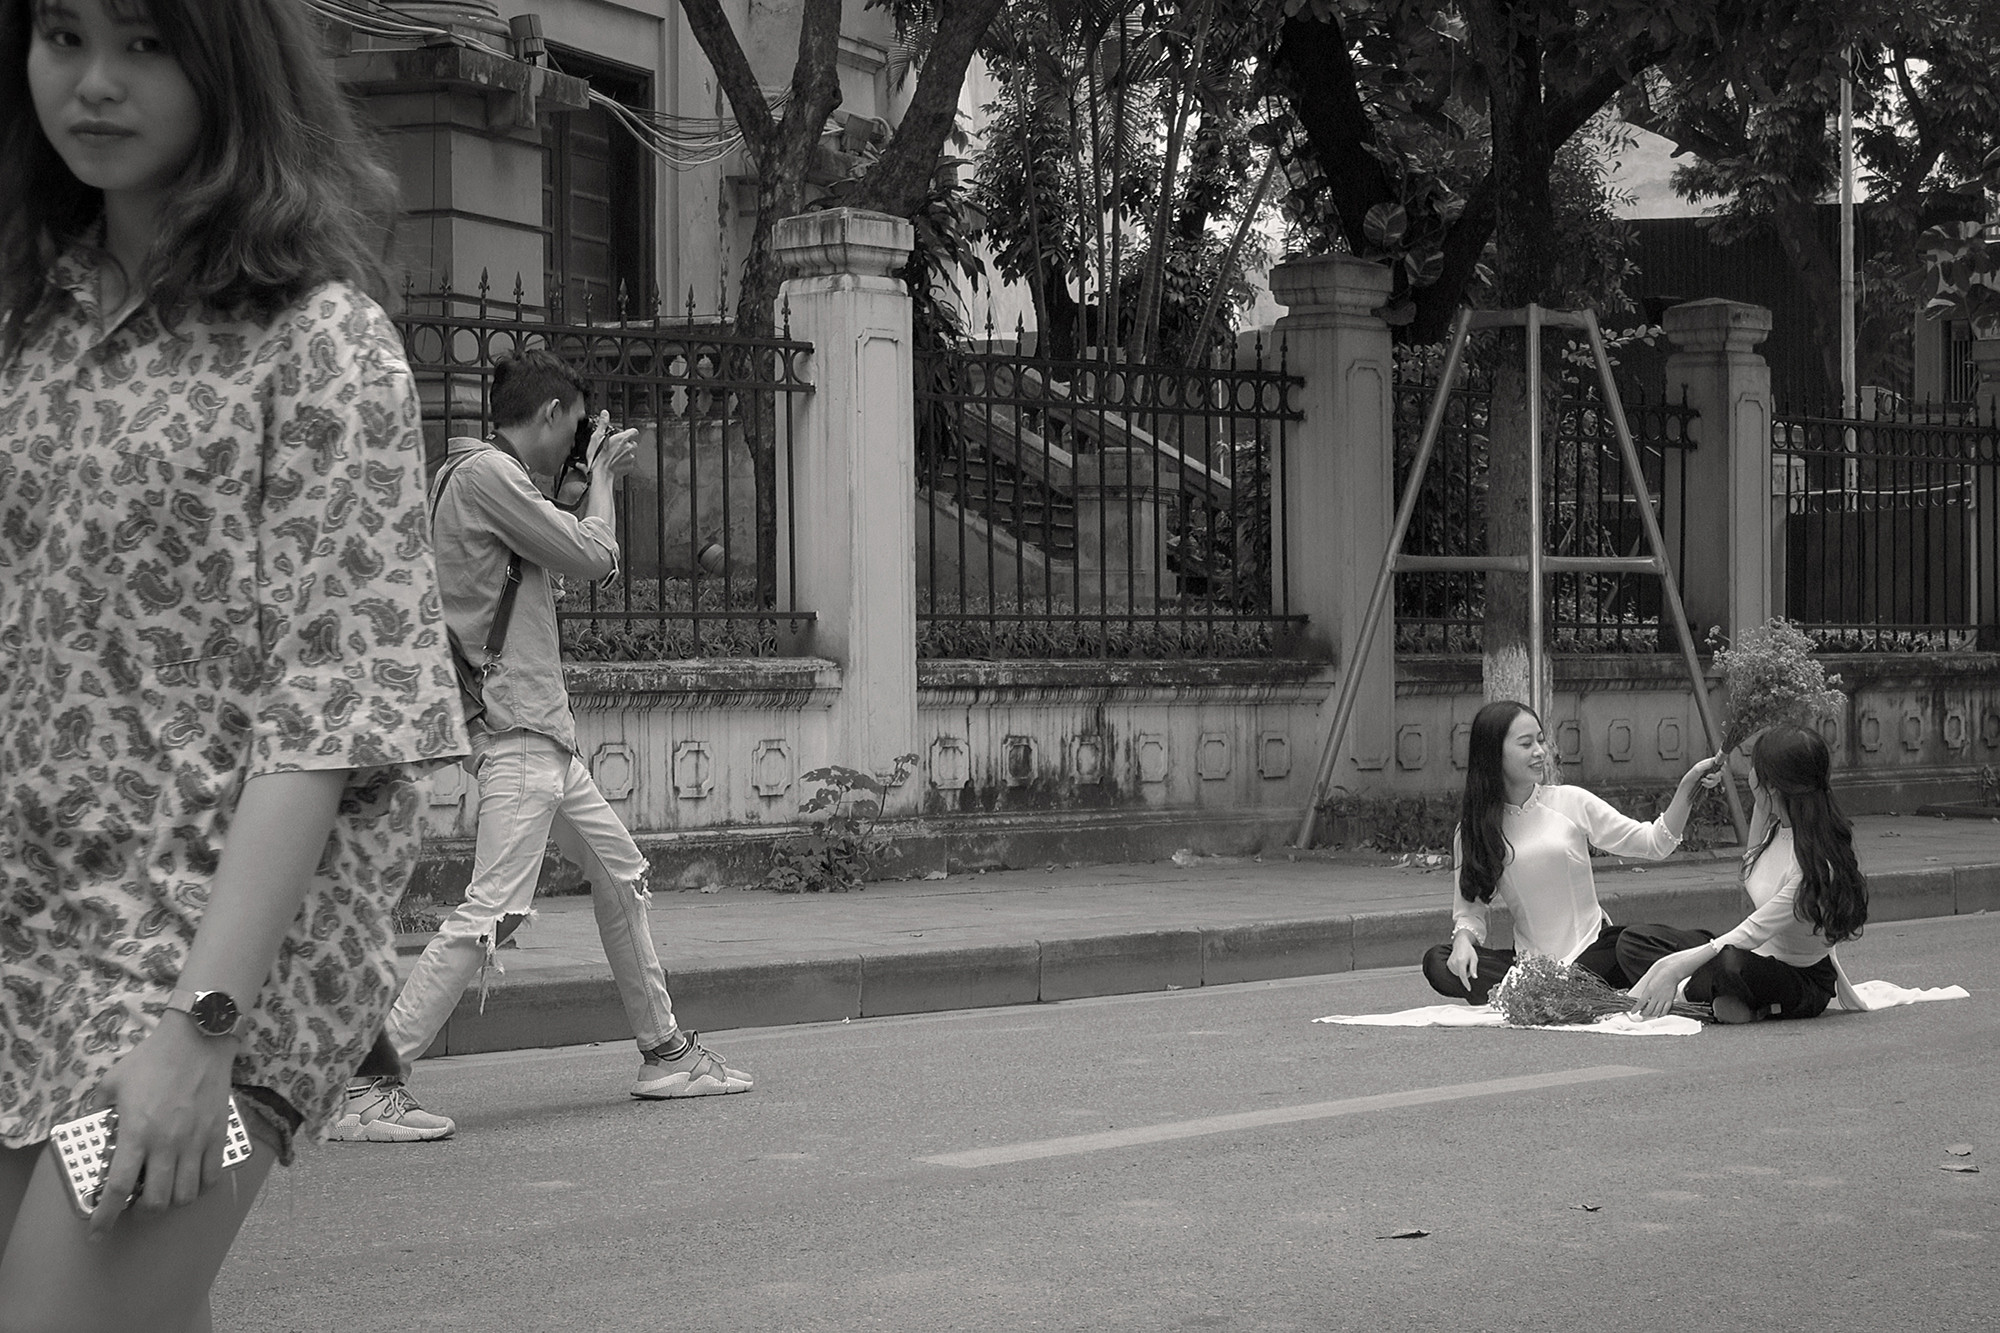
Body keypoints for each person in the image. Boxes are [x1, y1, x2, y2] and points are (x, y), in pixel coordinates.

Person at [0, 1, 467, 1327]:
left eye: (146, 43)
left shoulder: (321, 346)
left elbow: (330, 714)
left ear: (228, 66)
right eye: (61, 32)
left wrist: (203, 1028)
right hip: (28, 932)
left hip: (206, 950)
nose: (93, 82)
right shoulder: (32, 321)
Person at [332, 349, 752, 1143]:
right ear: (555, 414)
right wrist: (601, 483)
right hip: (518, 732)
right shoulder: (487, 474)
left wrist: (574, 489)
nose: (576, 446)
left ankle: (665, 1051)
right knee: (493, 909)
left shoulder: (493, 484)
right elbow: (596, 556)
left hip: (543, 736)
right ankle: (369, 1080)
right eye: (575, 429)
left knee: (621, 873)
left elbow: (548, 562)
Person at [1421, 700, 1724, 1004]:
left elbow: (1655, 842)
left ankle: (1700, 956)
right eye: (1526, 744)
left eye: (1541, 740)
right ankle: (1549, 992)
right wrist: (1463, 941)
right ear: (1493, 755)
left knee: (1631, 944)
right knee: (1438, 960)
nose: (1540, 751)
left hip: (1595, 955)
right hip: (1531, 968)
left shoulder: (1570, 802)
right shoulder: (1474, 830)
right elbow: (1470, 912)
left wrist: (1687, 788)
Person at [1622, 726, 1869, 1024]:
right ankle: (1718, 998)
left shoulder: (1812, 865)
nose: (1748, 774)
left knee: (1727, 964)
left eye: (1754, 768)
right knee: (1634, 941)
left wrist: (1674, 969)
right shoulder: (1779, 827)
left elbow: (1750, 933)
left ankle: (1735, 1000)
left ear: (1773, 786)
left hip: (1797, 978)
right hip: (1754, 953)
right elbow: (1751, 867)